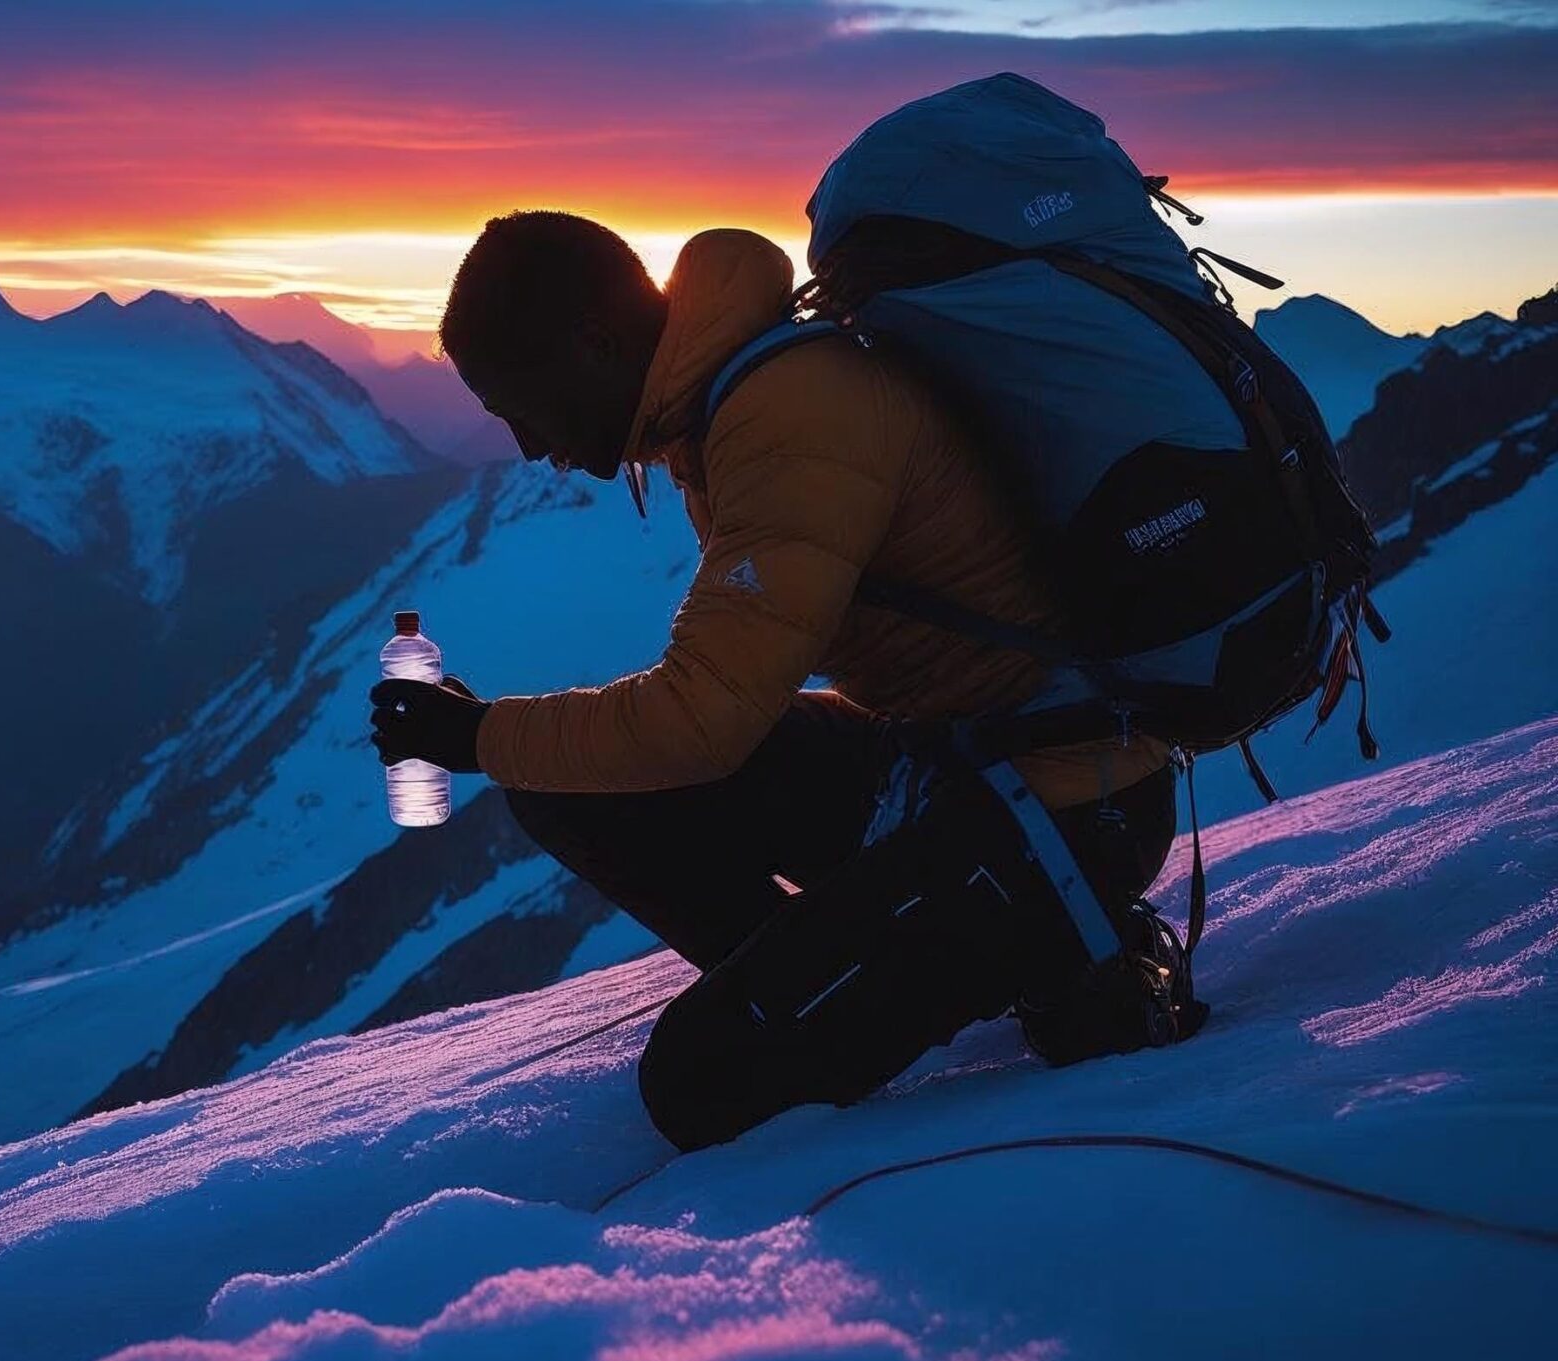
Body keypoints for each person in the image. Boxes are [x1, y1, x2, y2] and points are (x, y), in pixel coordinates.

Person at [369, 213, 1202, 1152]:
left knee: (699, 1082)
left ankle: (1035, 959)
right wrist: (493, 739)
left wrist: (477, 736)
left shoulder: (787, 413)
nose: (527, 445)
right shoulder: (723, 402)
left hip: (1067, 809)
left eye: (523, 406)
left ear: (594, 344)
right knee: (563, 787)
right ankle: (838, 981)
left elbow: (704, 719)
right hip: (946, 770)